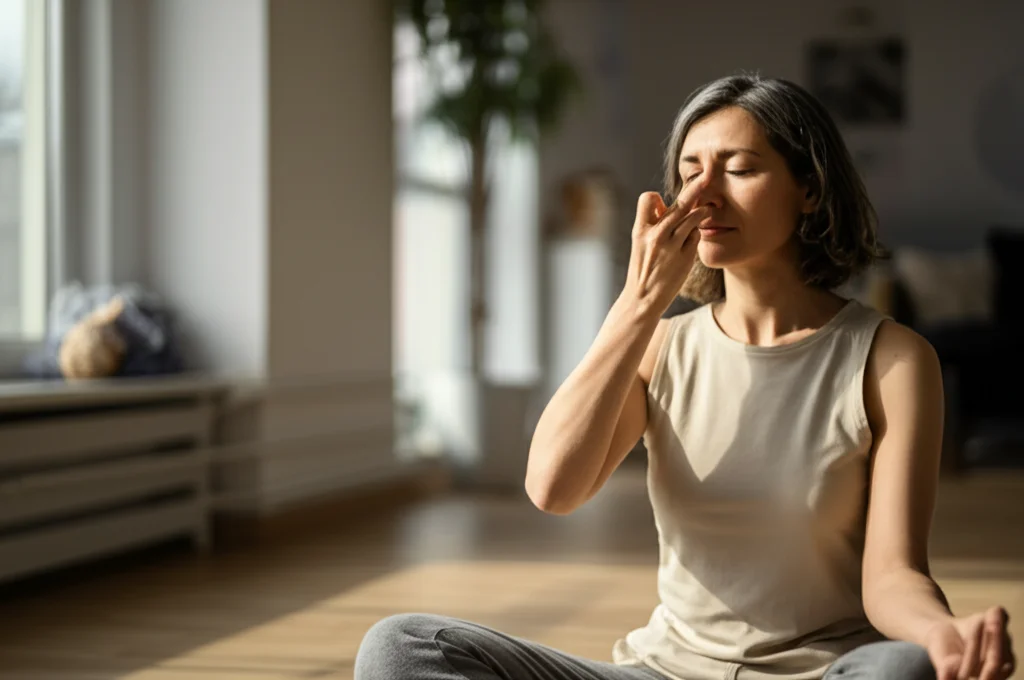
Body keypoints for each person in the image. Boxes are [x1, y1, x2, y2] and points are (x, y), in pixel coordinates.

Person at [354, 74, 1016, 680]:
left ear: (809, 190)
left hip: (822, 674)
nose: (703, 194)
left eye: (740, 169)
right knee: (401, 646)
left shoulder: (892, 359)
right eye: (689, 171)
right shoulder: (660, 344)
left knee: (901, 669)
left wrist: (943, 633)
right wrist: (638, 304)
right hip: (663, 671)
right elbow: (553, 487)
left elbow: (893, 574)